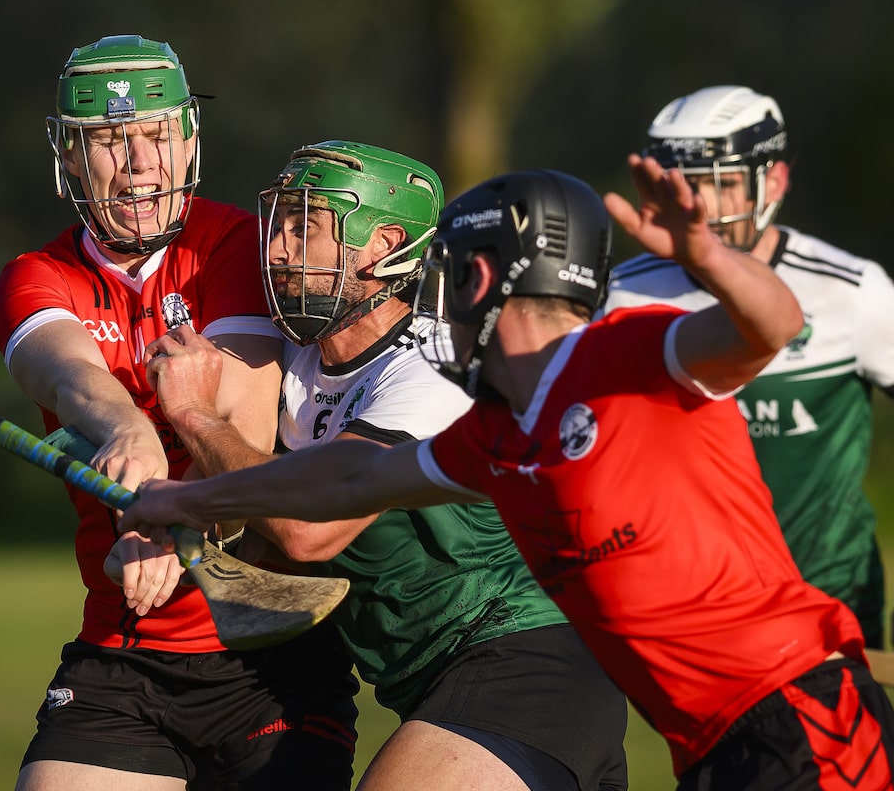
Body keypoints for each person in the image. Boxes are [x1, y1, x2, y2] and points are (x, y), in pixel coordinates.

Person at [118, 159, 894, 789]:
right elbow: (345, 483)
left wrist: (712, 260)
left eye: (447, 276)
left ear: (483, 280)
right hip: (708, 748)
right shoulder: (494, 435)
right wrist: (180, 497)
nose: (434, 301)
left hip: (801, 713)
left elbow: (775, 325)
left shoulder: (632, 351)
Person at [85, 140, 627, 790]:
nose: (278, 248)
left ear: (383, 243)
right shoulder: (297, 366)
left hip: (530, 665)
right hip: (440, 691)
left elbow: (310, 530)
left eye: (304, 226)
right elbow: (279, 549)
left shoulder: (432, 360)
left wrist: (198, 421)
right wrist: (177, 540)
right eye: (278, 223)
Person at [0, 35, 358, 791]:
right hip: (123, 648)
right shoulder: (34, 277)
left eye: (156, 135)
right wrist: (126, 430)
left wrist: (166, 513)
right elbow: (66, 374)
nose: (140, 162)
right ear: (70, 158)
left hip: (268, 656)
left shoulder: (239, 247)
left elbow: (243, 430)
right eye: (109, 141)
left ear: (188, 140)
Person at [602, 85, 894, 649]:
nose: (701, 206)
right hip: (690, 607)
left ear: (775, 183)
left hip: (829, 599)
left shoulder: (853, 291)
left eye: (723, 181)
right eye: (684, 183)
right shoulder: (619, 297)